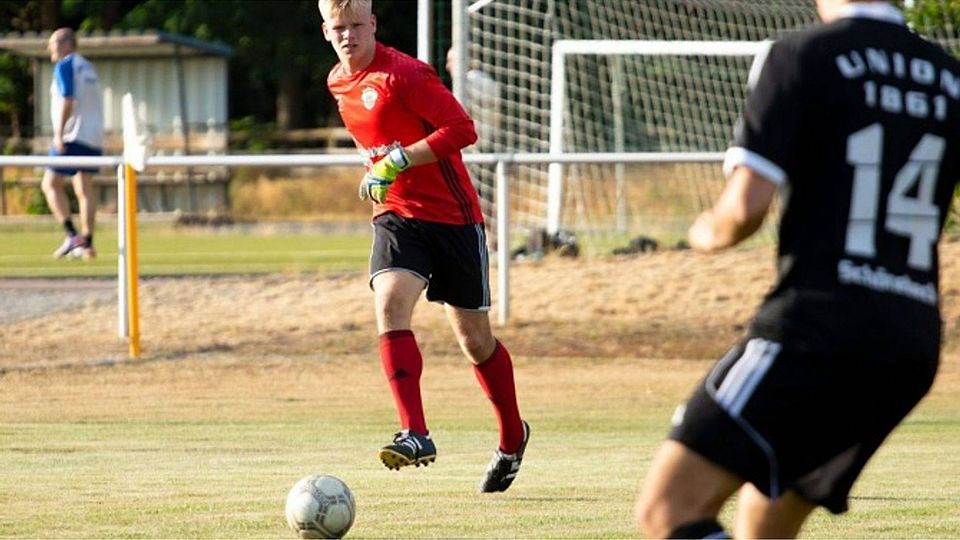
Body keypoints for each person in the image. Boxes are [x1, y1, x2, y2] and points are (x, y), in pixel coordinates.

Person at [635, 1, 960, 538]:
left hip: (815, 329)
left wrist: (704, 230)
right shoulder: (948, 77)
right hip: (909, 344)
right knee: (763, 525)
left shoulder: (801, 55)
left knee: (669, 510)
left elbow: (743, 212)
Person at [317, 0, 530, 493]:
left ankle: (511, 437)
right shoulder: (336, 82)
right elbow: (371, 140)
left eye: (356, 25)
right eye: (337, 27)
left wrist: (396, 160)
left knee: (475, 342)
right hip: (398, 218)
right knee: (388, 302)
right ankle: (415, 432)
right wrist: (378, 174)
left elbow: (462, 130)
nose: (347, 35)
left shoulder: (405, 75)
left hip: (454, 220)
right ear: (325, 31)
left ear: (372, 25)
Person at [43, 27, 104, 260]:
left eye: (54, 42)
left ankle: (71, 236)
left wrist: (58, 134)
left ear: (69, 43)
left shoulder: (65, 65)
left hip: (73, 134)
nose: (51, 48)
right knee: (84, 187)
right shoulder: (88, 67)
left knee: (49, 183)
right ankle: (87, 244)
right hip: (94, 135)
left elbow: (68, 98)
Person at [445, 46, 502, 252]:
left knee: (469, 198)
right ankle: (495, 241)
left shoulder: (464, 84)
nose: (447, 66)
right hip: (489, 144)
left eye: (451, 60)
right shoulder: (491, 83)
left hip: (469, 148)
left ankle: (478, 242)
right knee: (489, 198)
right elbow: (498, 117)